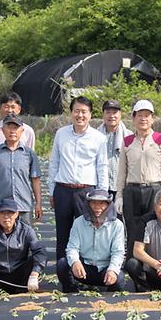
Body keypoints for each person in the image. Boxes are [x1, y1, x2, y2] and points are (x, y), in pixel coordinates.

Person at [48, 96, 109, 261]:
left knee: (86, 234)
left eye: (84, 112)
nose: (80, 115)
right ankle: (63, 269)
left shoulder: (98, 138)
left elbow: (102, 167)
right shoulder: (61, 134)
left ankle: (84, 270)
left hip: (86, 192)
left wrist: (102, 195)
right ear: (71, 113)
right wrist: (52, 191)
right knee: (63, 234)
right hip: (63, 190)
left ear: (90, 114)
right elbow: (54, 163)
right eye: (76, 111)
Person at [115, 100, 161, 249]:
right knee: (132, 230)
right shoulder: (127, 141)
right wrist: (119, 196)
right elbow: (122, 171)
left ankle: (151, 261)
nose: (143, 119)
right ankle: (132, 260)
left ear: (152, 118)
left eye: (147, 115)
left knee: (153, 230)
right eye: (139, 115)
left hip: (154, 189)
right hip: (132, 190)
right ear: (134, 118)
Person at [57, 189, 125, 293]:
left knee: (119, 279)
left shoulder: (117, 225)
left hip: (105, 270)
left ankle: (108, 296)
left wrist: (112, 270)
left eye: (102, 203)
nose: (97, 208)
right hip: (84, 270)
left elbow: (118, 252)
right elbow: (72, 248)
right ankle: (71, 291)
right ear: (88, 205)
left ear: (108, 205)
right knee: (62, 264)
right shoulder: (78, 223)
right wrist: (75, 262)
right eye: (94, 203)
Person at [0, 114, 42, 225]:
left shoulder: (29, 154)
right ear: (3, 130)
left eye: (16, 128)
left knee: (24, 235)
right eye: (9, 127)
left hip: (23, 206)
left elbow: (35, 179)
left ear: (22, 130)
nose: (12, 131)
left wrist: (38, 203)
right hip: (0, 206)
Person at [97, 99, 132, 202]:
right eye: (108, 112)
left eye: (115, 112)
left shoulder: (129, 136)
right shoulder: (95, 136)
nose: (111, 116)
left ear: (120, 114)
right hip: (100, 187)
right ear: (103, 114)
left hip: (122, 188)